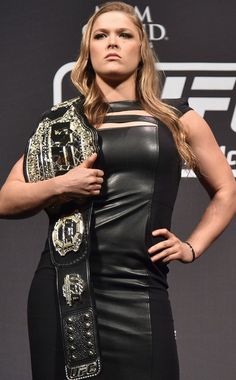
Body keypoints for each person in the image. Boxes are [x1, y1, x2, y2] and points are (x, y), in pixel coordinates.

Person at [0, 2, 235, 380]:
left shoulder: (177, 119)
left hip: (140, 286)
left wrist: (193, 246)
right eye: (101, 35)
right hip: (65, 289)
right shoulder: (61, 122)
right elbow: (6, 199)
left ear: (141, 48)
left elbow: (227, 189)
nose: (113, 43)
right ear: (88, 50)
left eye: (124, 35)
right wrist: (62, 184)